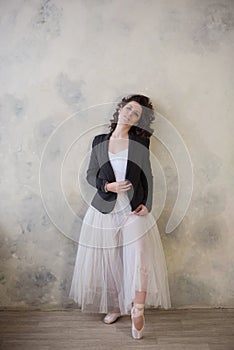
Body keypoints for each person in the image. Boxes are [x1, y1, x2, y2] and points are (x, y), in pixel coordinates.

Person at [69, 94, 171, 339]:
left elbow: (147, 176)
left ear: (138, 121)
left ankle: (138, 308)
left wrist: (147, 203)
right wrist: (107, 187)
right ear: (120, 110)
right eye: (128, 109)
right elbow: (90, 174)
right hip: (104, 209)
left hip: (133, 210)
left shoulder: (140, 143)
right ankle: (116, 306)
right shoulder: (99, 141)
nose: (130, 114)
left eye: (136, 113)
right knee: (111, 259)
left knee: (138, 257)